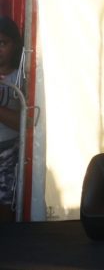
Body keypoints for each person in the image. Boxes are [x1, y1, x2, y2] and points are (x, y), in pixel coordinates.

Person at [0, 16, 23, 224]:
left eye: (3, 43)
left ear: (14, 45)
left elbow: (22, 123)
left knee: (6, 206)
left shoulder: (19, 78)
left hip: (7, 155)